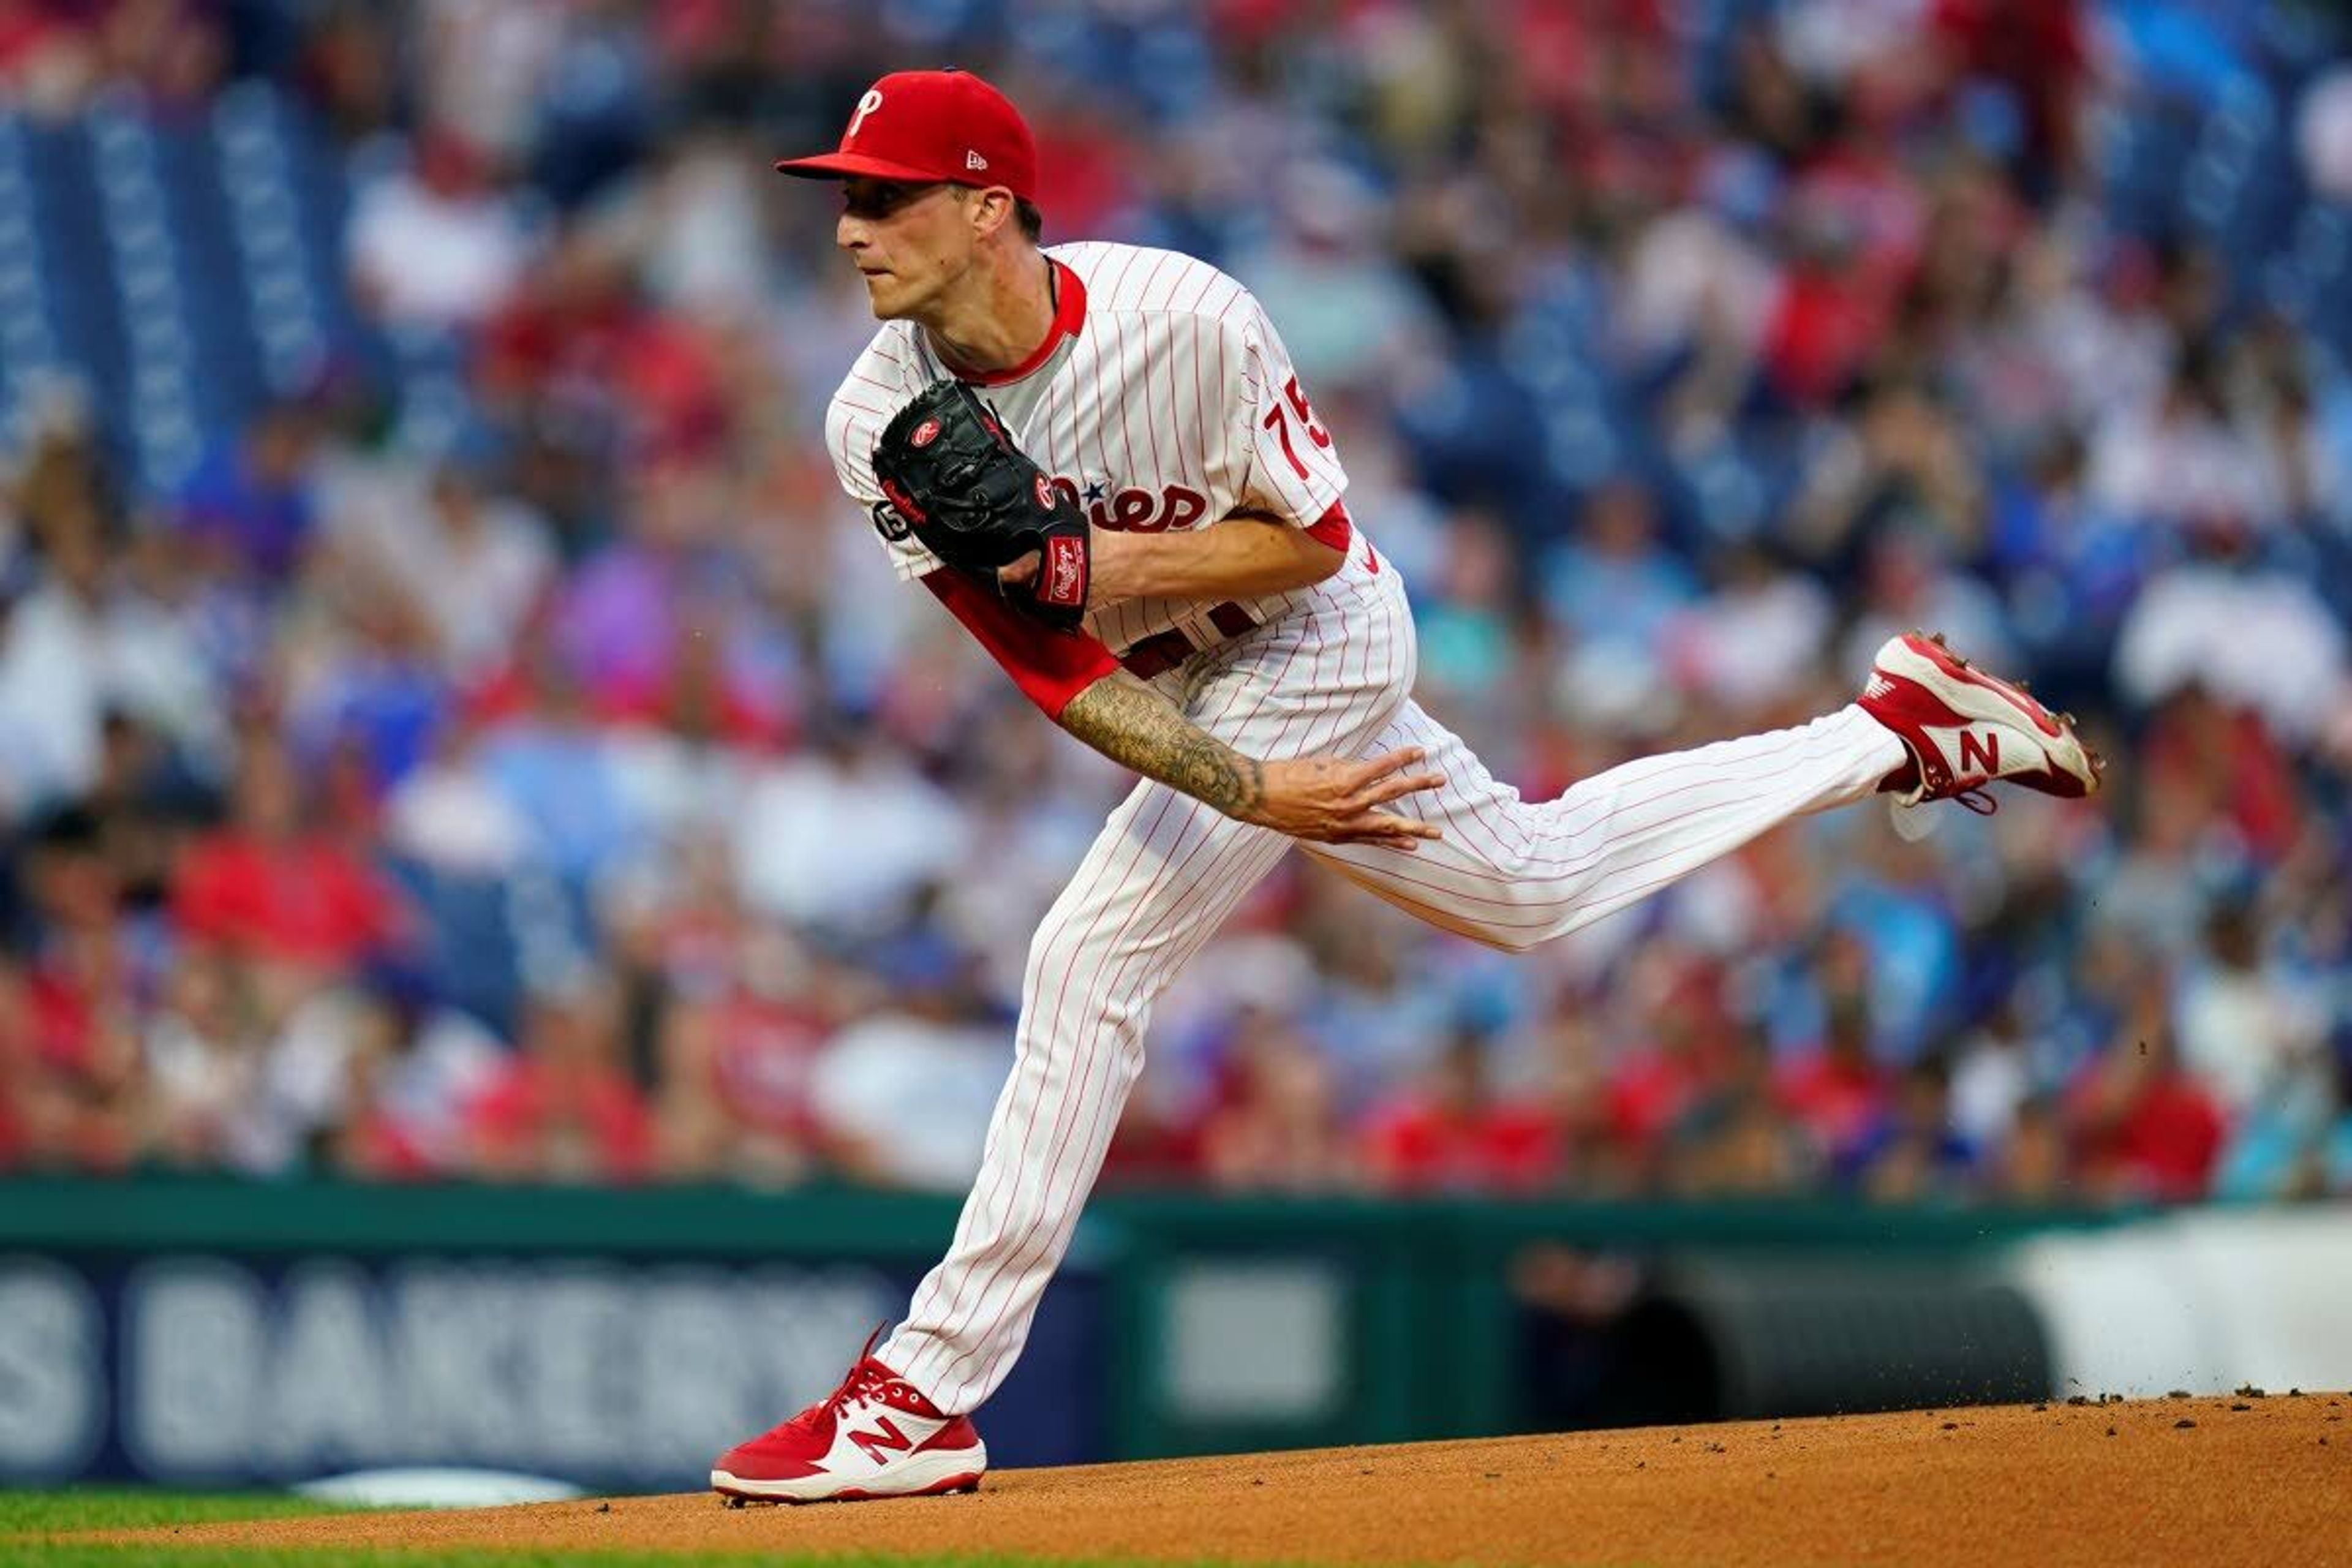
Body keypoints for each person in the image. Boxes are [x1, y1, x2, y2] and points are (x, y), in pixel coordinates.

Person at [713, 67, 2100, 1506]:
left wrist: (1104, 564)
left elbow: (1311, 541)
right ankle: (1894, 729)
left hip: (1319, 635)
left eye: (882, 196)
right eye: (845, 199)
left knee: (1084, 956)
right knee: (1533, 885)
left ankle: (925, 1391)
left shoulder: (1183, 321)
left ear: (988, 204)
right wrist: (1247, 782)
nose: (849, 229)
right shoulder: (874, 416)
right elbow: (1056, 672)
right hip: (1178, 693)